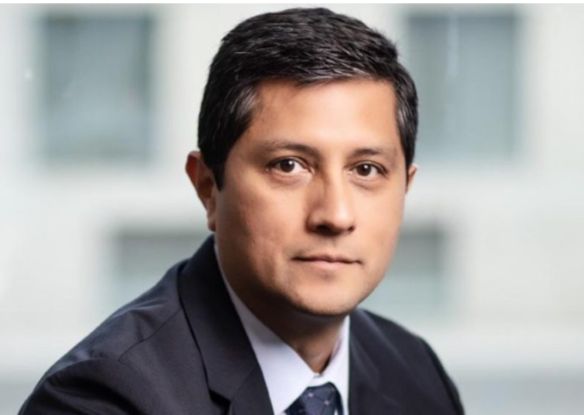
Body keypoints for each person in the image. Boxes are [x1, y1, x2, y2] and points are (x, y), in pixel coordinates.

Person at [19, 7, 464, 415]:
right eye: (288, 166)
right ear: (208, 187)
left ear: (405, 189)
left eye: (366, 169)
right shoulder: (102, 397)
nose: (335, 215)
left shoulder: (416, 374)